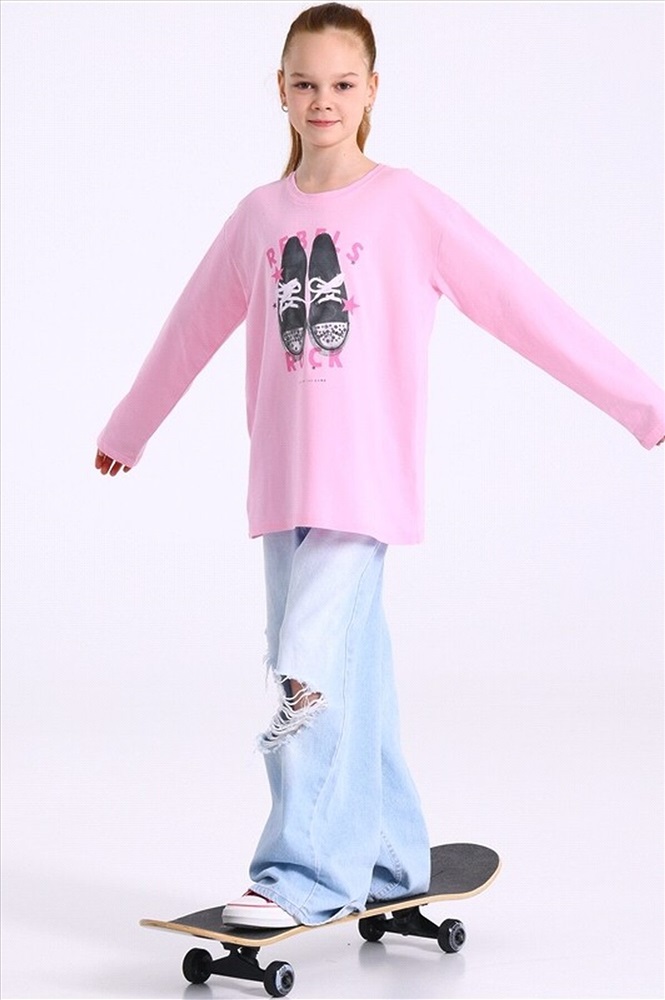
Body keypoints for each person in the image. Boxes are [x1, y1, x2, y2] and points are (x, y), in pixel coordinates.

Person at [95, 3, 665, 929]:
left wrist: (646, 404)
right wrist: (130, 426)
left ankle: (302, 874)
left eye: (341, 83)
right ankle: (392, 860)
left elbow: (525, 305)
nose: (322, 100)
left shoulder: (407, 206)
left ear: (371, 90)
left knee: (306, 670)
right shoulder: (258, 217)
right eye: (305, 83)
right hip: (282, 488)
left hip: (362, 487)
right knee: (350, 674)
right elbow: (190, 327)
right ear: (280, 91)